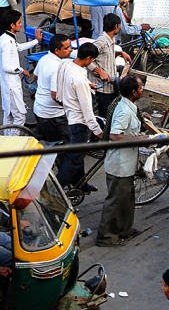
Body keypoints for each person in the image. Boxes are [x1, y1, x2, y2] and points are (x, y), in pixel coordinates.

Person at [96, 74, 145, 247]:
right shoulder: (123, 110)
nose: (142, 90)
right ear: (133, 92)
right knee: (116, 201)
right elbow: (115, 135)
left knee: (127, 199)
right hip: (120, 165)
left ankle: (125, 230)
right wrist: (140, 139)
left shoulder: (127, 104)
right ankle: (106, 237)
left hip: (127, 164)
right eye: (140, 88)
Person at [55, 42, 102, 191]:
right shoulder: (79, 80)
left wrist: (89, 84)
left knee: (78, 155)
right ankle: (56, 190)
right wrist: (98, 131)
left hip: (69, 113)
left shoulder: (66, 64)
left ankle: (80, 184)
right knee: (74, 159)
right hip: (79, 122)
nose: (91, 63)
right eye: (92, 60)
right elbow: (87, 111)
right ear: (88, 58)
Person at [0, 10, 42, 128]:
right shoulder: (7, 42)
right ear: (12, 25)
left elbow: (19, 47)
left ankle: (6, 142)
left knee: (9, 116)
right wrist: (22, 70)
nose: (21, 24)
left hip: (8, 84)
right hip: (11, 85)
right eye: (19, 22)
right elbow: (6, 66)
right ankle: (13, 142)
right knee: (19, 118)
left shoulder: (6, 38)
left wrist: (36, 41)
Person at [88, 13, 132, 119]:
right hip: (101, 87)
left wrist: (120, 53)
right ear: (116, 26)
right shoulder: (101, 41)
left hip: (111, 85)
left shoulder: (112, 39)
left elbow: (106, 56)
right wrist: (99, 71)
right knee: (105, 117)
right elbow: (86, 60)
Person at [33, 34, 72, 143]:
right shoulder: (57, 68)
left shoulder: (44, 59)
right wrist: (69, 106)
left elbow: (35, 77)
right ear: (57, 51)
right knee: (64, 144)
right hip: (53, 115)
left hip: (39, 109)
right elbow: (55, 96)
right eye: (66, 48)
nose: (70, 50)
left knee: (44, 142)